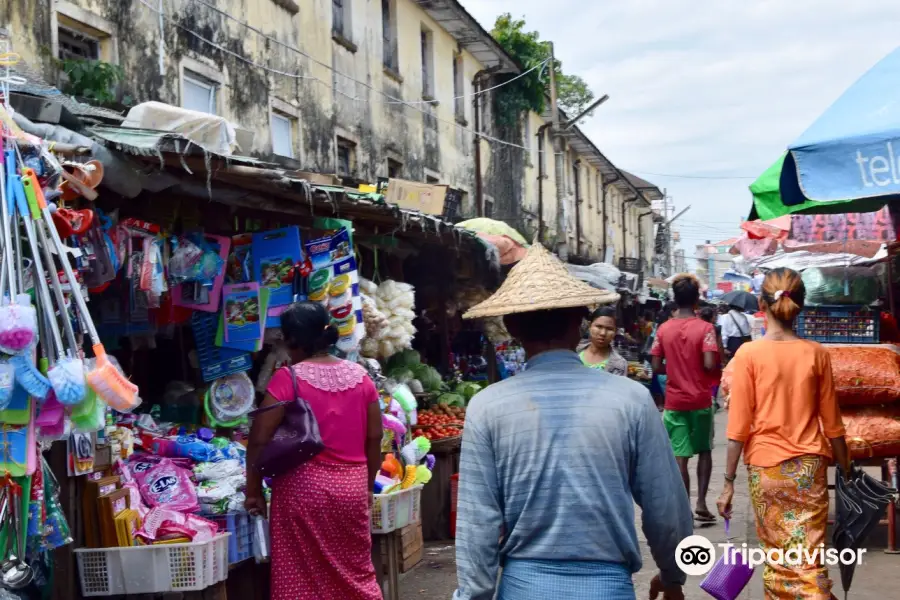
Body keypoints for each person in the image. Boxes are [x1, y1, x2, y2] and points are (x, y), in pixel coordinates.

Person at [453, 243, 692, 600]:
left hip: (523, 588)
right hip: (608, 588)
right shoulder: (631, 399)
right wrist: (673, 576)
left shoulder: (487, 407)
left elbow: (478, 523)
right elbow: (665, 507)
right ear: (580, 321)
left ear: (512, 325)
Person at [717, 268, 850, 600]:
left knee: (778, 560)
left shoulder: (748, 354)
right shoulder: (817, 354)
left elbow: (738, 428)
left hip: (766, 470)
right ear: (800, 306)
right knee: (808, 557)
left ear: (762, 304)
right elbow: (833, 424)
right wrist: (847, 468)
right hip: (809, 469)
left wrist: (729, 481)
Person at [245, 302, 383, 600]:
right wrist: (367, 485)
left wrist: (253, 491)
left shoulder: (288, 378)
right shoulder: (362, 377)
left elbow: (258, 439)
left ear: (293, 340)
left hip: (301, 493)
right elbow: (375, 437)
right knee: (355, 571)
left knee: (299, 575)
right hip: (351, 488)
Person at [650, 274, 719, 523]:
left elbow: (656, 364)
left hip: (675, 401)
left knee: (681, 455)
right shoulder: (706, 329)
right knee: (704, 450)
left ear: (674, 299)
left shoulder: (664, 328)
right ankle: (702, 501)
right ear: (697, 298)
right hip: (700, 399)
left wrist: (674, 367)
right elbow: (710, 363)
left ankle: (684, 508)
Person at [580, 306, 628, 376]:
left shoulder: (620, 365)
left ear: (615, 331)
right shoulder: (574, 352)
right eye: (599, 326)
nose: (603, 333)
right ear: (590, 326)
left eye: (609, 329)